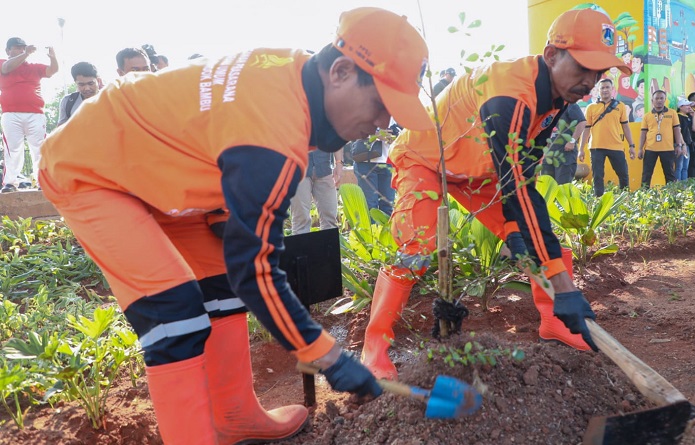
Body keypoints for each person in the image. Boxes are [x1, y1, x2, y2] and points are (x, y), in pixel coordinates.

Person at [38, 7, 433, 444]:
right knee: (175, 313)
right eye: (380, 102)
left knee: (222, 286)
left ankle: (234, 416)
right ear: (340, 71)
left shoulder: (292, 72)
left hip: (161, 175)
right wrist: (329, 358)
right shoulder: (274, 134)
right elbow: (257, 270)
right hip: (93, 172)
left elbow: (214, 135)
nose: (382, 121)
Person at [360, 8, 632, 380]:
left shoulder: (557, 98)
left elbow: (526, 177)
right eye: (583, 68)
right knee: (416, 251)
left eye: (599, 73)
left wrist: (530, 244)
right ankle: (374, 347)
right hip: (426, 159)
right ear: (552, 55)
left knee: (543, 242)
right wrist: (563, 284)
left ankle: (556, 322)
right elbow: (517, 185)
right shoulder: (510, 94)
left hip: (478, 171)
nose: (590, 81)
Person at [0, 38, 58, 193]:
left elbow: (52, 71)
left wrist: (52, 57)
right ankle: (10, 183)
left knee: (39, 148)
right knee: (12, 148)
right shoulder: (3, 63)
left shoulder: (34, 67)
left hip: (36, 113)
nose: (21, 50)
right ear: (8, 50)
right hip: (11, 113)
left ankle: (42, 181)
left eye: (22, 48)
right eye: (17, 48)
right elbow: (5, 69)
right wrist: (25, 54)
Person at [579, 78, 635, 196]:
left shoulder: (620, 106)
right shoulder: (591, 107)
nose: (605, 90)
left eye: (607, 87)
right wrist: (581, 149)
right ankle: (598, 201)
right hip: (596, 147)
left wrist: (631, 145)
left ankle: (625, 198)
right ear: (598, 90)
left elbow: (626, 127)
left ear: (612, 90)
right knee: (598, 176)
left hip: (616, 146)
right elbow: (586, 129)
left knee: (623, 174)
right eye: (602, 88)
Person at [290, 150, 343, 234]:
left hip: (325, 169)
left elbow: (336, 137)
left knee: (330, 220)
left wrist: (339, 163)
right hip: (297, 171)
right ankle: (302, 247)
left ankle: (328, 247)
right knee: (300, 220)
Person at [353, 120, 399, 216]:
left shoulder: (395, 112)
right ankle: (371, 231)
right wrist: (376, 135)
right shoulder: (363, 109)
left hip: (388, 161)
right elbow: (351, 130)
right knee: (369, 206)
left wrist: (394, 138)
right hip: (365, 162)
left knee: (388, 205)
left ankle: (386, 231)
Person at [638, 90, 682, 187]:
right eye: (656, 98)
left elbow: (677, 130)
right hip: (650, 149)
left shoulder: (673, 113)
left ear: (665, 100)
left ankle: (671, 195)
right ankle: (643, 197)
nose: (659, 100)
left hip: (668, 149)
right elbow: (643, 133)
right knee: (646, 175)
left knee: (670, 175)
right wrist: (640, 148)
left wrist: (679, 145)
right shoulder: (647, 116)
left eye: (661, 98)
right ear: (652, 100)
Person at [542, 102, 586, 185]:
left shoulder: (570, 105)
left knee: (562, 187)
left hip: (565, 153)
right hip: (548, 153)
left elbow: (582, 122)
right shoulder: (546, 107)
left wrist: (572, 141)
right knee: (546, 188)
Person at [57, 62, 100, 126]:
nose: (87, 88)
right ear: (76, 83)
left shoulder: (110, 99)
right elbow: (61, 131)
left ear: (98, 81)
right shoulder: (68, 102)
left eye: (91, 83)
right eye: (81, 84)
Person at [674, 98, 695, 181]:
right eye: (687, 105)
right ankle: (678, 187)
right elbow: (678, 131)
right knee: (679, 167)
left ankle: (684, 187)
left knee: (685, 167)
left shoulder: (688, 117)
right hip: (680, 144)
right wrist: (682, 144)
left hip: (687, 144)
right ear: (681, 106)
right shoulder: (678, 117)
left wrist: (693, 116)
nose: (689, 107)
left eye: (689, 105)